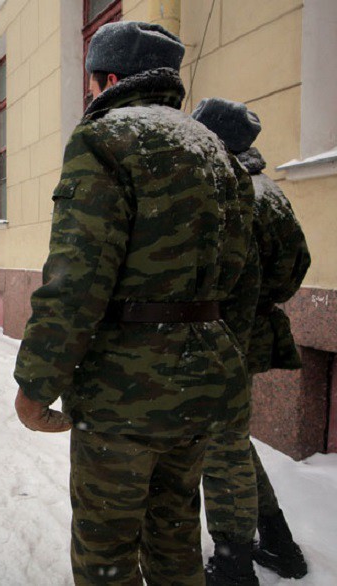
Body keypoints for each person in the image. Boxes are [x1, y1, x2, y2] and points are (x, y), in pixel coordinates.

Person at [12, 22, 257, 584]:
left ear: (112, 78)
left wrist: (36, 383)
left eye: (92, 83)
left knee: (107, 552)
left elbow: (76, 279)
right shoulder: (216, 150)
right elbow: (243, 279)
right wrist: (223, 361)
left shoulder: (103, 140)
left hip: (124, 395)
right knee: (174, 539)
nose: (91, 95)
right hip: (204, 389)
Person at [192, 97, 311, 583]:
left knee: (221, 451)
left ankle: (233, 565)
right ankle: (278, 542)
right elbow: (294, 268)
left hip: (226, 337)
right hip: (252, 332)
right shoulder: (269, 191)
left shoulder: (233, 193)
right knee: (232, 442)